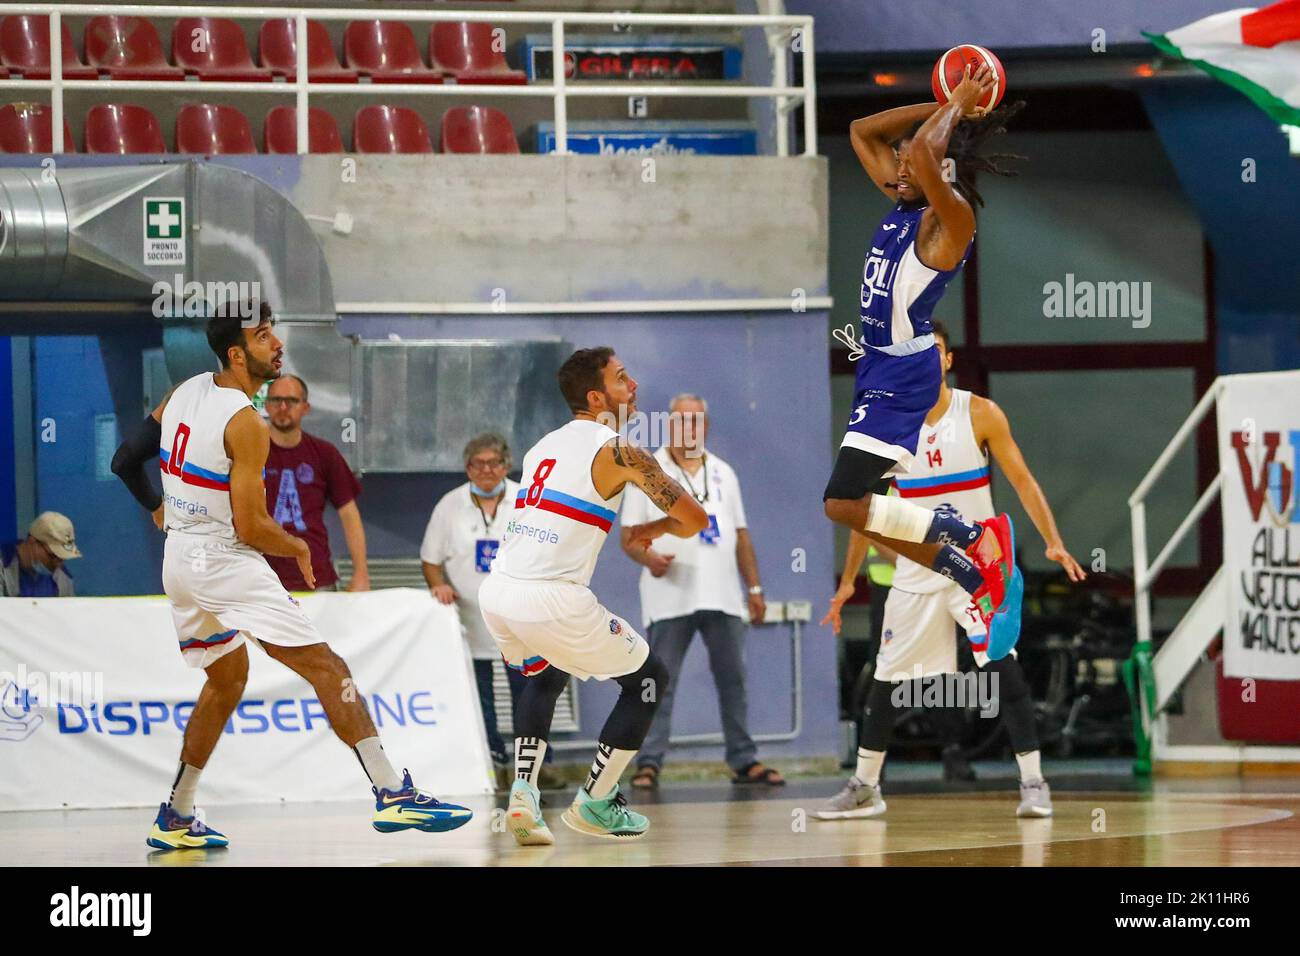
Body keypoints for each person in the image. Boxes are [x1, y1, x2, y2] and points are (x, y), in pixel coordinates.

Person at [110, 303, 471, 849]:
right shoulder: (245, 424)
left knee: (227, 680)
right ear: (237, 353)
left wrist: (157, 508)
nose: (276, 343)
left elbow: (123, 461)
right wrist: (297, 544)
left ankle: (177, 814)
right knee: (327, 665)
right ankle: (393, 794)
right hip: (222, 559)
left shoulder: (182, 393)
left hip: (179, 560)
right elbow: (254, 526)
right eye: (262, 336)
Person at [817, 320, 1085, 820]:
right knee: (887, 678)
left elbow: (1023, 480)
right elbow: (865, 513)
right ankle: (865, 787)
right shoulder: (888, 427)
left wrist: (1053, 541)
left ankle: (1033, 782)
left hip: (979, 571)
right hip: (919, 569)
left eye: (933, 351)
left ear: (946, 360)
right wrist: (848, 582)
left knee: (1003, 668)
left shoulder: (979, 413)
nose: (924, 360)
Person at [821, 64, 1028, 660]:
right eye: (901, 162)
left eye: (911, 163)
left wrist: (956, 107)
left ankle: (976, 557)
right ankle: (974, 556)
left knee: (842, 502)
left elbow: (931, 146)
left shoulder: (951, 220)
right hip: (878, 367)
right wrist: (937, 99)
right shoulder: (907, 198)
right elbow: (863, 130)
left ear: (941, 172)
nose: (899, 167)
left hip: (905, 369)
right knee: (854, 507)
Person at [479, 347, 708, 845]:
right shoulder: (623, 451)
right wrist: (656, 526)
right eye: (623, 379)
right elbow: (695, 520)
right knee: (649, 678)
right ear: (596, 396)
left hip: (498, 591)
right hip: (551, 597)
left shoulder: (542, 447)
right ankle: (596, 802)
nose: (635, 386)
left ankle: (523, 794)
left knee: (547, 672)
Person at [619, 394, 783, 788]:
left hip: (723, 595)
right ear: (669, 426)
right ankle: (649, 762)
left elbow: (740, 535)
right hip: (670, 595)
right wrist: (650, 559)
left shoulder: (725, 473)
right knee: (659, 682)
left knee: (733, 680)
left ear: (706, 427)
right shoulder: (648, 471)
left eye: (696, 421)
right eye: (680, 421)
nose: (689, 428)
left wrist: (755, 588)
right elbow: (627, 538)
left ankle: (744, 760)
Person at [421, 433, 525, 778]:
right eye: (478, 464)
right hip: (470, 620)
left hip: (520, 621)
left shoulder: (526, 502)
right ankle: (493, 758)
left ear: (506, 466)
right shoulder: (449, 505)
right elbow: (430, 559)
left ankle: (532, 763)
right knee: (481, 697)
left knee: (528, 694)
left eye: (494, 463)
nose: (486, 470)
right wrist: (438, 585)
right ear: (467, 468)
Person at [262, 374, 370, 592]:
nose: (283, 407)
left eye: (291, 401)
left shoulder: (324, 454)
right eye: (276, 400)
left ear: (305, 407)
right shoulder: (249, 452)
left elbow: (349, 514)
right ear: (266, 406)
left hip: (315, 577)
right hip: (261, 578)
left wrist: (361, 573)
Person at [0, 512, 81, 598]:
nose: (58, 565)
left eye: (62, 558)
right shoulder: (3, 564)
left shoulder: (63, 577)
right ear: (33, 542)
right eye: (53, 556)